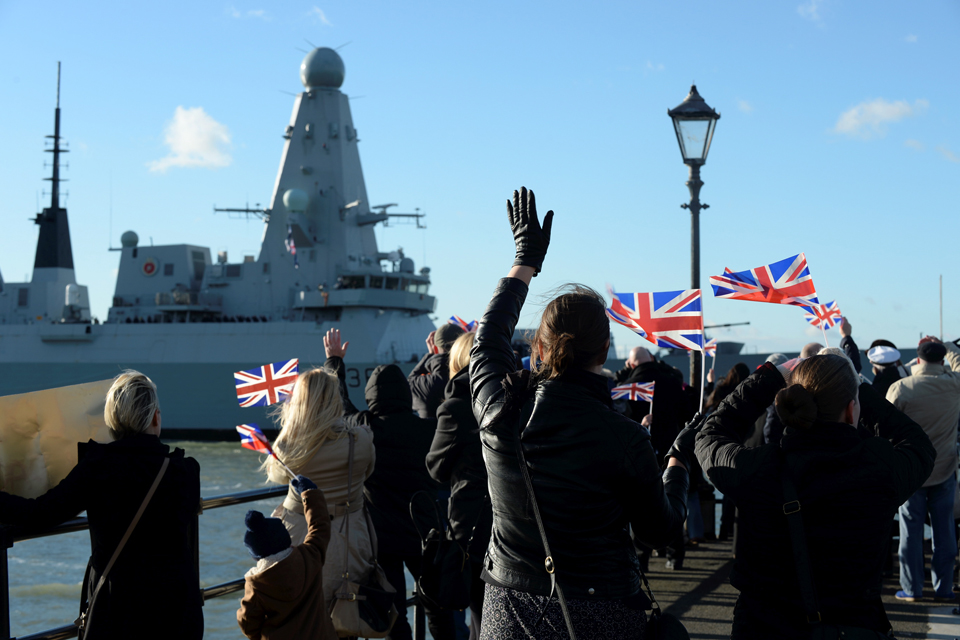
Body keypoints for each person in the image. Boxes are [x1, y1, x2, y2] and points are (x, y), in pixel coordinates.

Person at [471, 187, 688, 639]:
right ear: (605, 350)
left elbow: (487, 338)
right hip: (600, 615)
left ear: (541, 347)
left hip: (509, 611)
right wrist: (677, 467)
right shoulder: (625, 437)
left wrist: (525, 258)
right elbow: (659, 532)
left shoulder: (498, 410)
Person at [694, 354, 935, 638]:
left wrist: (771, 375)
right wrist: (857, 386)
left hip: (763, 628)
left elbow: (709, 436)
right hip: (853, 626)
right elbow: (919, 445)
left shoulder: (758, 470)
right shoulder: (879, 470)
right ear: (850, 410)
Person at [0, 370, 204, 640]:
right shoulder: (186, 471)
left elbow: (41, 513)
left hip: (118, 611)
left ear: (112, 420)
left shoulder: (98, 467)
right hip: (177, 613)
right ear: (155, 417)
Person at [323, 329, 455, 640]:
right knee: (438, 608)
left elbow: (341, 403)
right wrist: (437, 355)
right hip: (426, 531)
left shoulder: (365, 428)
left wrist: (334, 362)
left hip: (382, 539)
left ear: (371, 397)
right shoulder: (429, 429)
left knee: (394, 612)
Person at [261, 359, 376, 612]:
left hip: (297, 538)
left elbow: (277, 475)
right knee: (344, 614)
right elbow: (368, 472)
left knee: (297, 615)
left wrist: (292, 423)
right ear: (336, 400)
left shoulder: (287, 447)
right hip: (348, 540)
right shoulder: (361, 441)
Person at [426, 330, 492, 640]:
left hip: (472, 524)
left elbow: (437, 468)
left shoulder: (455, 406)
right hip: (514, 522)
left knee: (475, 611)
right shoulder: (511, 397)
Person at [886, 337, 960, 601]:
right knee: (945, 533)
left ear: (918, 359)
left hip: (910, 472)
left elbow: (885, 428)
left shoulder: (901, 388)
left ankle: (911, 589)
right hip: (945, 469)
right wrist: (949, 346)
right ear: (942, 360)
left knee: (910, 534)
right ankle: (944, 589)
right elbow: (959, 363)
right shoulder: (954, 384)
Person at [238, 475, 337, 640]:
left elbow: (248, 624)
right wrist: (309, 494)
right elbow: (320, 526)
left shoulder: (257, 584)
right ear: (286, 539)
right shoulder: (310, 556)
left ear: (256, 557)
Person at [408, 323, 467, 419]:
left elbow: (410, 380)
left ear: (435, 347)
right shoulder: (471, 377)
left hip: (430, 433)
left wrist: (430, 355)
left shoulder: (421, 384)